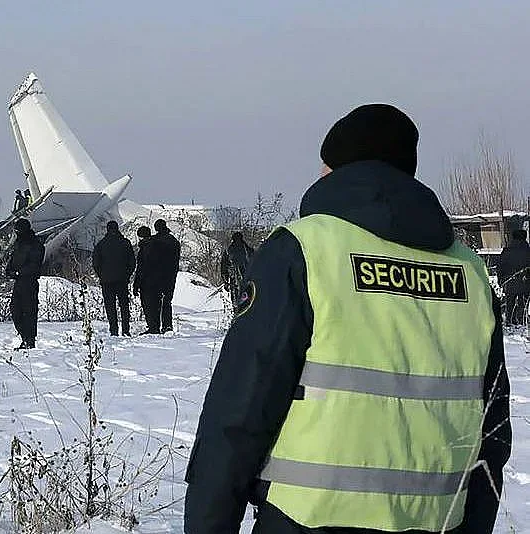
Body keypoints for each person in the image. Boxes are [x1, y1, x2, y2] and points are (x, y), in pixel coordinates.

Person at [184, 104, 510, 534]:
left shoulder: (303, 250)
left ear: (334, 170)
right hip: (438, 521)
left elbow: (240, 408)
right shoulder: (470, 272)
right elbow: (493, 428)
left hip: (306, 520)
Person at [7, 218, 45, 349]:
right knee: (15, 310)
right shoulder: (19, 244)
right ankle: (25, 337)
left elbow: (34, 265)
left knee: (29, 312)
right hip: (19, 282)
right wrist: (9, 270)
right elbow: (13, 259)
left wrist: (19, 272)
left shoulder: (36, 245)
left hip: (29, 282)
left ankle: (29, 340)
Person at [93, 221, 136, 336]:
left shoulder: (101, 244)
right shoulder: (125, 243)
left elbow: (96, 263)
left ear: (107, 229)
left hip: (107, 281)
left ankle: (114, 330)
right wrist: (127, 275)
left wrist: (102, 275)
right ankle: (126, 330)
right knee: (124, 306)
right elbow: (132, 262)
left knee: (110, 306)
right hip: (122, 280)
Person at [151, 219, 181, 332]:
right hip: (170, 275)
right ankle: (167, 325)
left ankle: (155, 326)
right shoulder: (174, 241)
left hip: (156, 275)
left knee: (156, 301)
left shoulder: (154, 241)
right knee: (167, 301)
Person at [496, 229, 530, 325]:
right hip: (526, 283)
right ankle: (521, 321)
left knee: (510, 304)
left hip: (509, 282)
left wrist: (500, 281)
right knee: (523, 304)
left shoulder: (506, 251)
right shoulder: (528, 251)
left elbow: (500, 267)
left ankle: (509, 320)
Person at [132, 225, 161, 334]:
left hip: (146, 282)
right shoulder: (158, 246)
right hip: (158, 281)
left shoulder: (144, 249)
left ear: (141, 237)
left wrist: (136, 285)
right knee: (156, 304)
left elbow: (141, 268)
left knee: (148, 305)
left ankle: (152, 327)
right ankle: (156, 326)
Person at [220, 231, 255, 304]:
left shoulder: (228, 250)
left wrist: (226, 282)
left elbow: (224, 267)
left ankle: (236, 307)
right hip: (247, 279)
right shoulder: (248, 249)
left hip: (234, 280)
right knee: (248, 298)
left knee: (236, 298)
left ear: (232, 239)